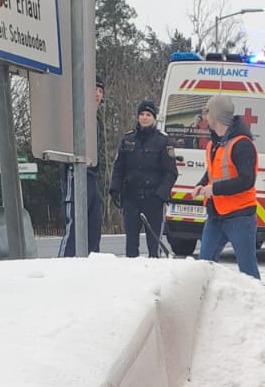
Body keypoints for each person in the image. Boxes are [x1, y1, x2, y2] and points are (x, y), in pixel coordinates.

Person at [196, 95, 260, 279]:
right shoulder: (213, 143)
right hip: (216, 215)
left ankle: (257, 305)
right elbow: (213, 171)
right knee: (203, 266)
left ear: (216, 115)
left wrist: (214, 189)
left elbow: (247, 180)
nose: (204, 117)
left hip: (240, 216)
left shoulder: (242, 145)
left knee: (247, 271)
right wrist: (201, 185)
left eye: (207, 112)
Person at [109, 99, 177, 258]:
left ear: (154, 118)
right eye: (142, 114)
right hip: (131, 198)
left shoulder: (163, 141)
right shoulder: (128, 139)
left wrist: (161, 193)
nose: (145, 117)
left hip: (153, 199)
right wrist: (115, 189)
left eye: (148, 114)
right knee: (131, 246)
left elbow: (171, 172)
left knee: (154, 248)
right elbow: (119, 167)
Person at [59, 78, 106, 257]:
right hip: (76, 173)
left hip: (92, 177)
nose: (97, 94)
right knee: (75, 229)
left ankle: (90, 272)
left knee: (94, 230)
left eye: (100, 91)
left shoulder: (96, 121)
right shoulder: (76, 115)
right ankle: (63, 267)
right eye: (94, 89)